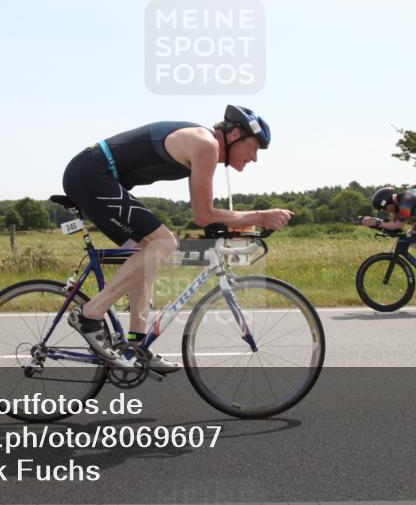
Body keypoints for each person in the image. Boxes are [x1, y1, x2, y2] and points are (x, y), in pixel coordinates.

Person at [62, 105, 293, 372]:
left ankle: (136, 349)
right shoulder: (206, 145)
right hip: (91, 175)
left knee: (146, 253)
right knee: (165, 243)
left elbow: (204, 213)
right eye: (254, 147)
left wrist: (237, 223)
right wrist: (260, 216)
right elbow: (204, 215)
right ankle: (90, 314)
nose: (254, 157)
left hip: (94, 177)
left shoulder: (203, 146)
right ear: (235, 135)